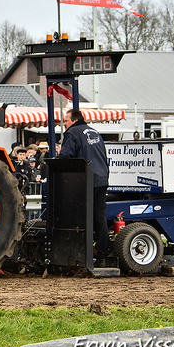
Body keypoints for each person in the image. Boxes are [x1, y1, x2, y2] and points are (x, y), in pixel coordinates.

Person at [59, 108, 110, 267]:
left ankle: (83, 254)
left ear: (74, 120)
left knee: (82, 218)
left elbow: (65, 157)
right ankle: (102, 254)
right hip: (102, 179)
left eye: (66, 120)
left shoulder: (73, 133)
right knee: (100, 217)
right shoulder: (94, 132)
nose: (64, 124)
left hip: (86, 180)